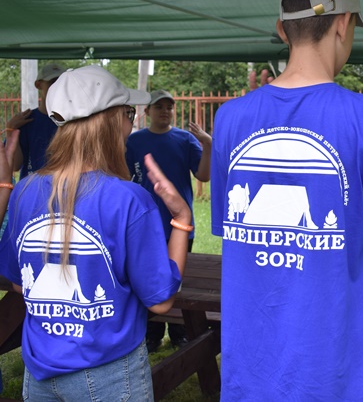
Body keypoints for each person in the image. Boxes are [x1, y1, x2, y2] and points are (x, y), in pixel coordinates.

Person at [210, 0, 363, 400]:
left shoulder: (230, 119)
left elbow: (241, 236)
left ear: (282, 29)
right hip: (337, 375)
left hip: (251, 376)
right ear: (344, 23)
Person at [0, 65, 190, 401]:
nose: (132, 122)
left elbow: (19, 282)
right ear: (114, 120)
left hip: (39, 370)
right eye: (129, 113)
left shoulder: (24, 190)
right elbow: (161, 301)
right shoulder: (129, 199)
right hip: (109, 372)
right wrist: (181, 220)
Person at [126, 89, 212, 352]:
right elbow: (123, 176)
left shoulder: (185, 139)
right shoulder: (134, 142)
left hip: (179, 225)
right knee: (148, 278)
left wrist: (208, 145)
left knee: (177, 279)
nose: (165, 111)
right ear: (148, 112)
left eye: (169, 107)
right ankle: (151, 334)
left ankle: (180, 332)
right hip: (144, 225)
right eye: (159, 106)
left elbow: (204, 175)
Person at [6, 63, 66, 179]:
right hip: (31, 191)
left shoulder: (73, 121)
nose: (58, 87)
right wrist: (11, 131)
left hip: (64, 190)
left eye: (62, 83)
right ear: (38, 85)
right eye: (52, 82)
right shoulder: (26, 121)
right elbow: (14, 166)